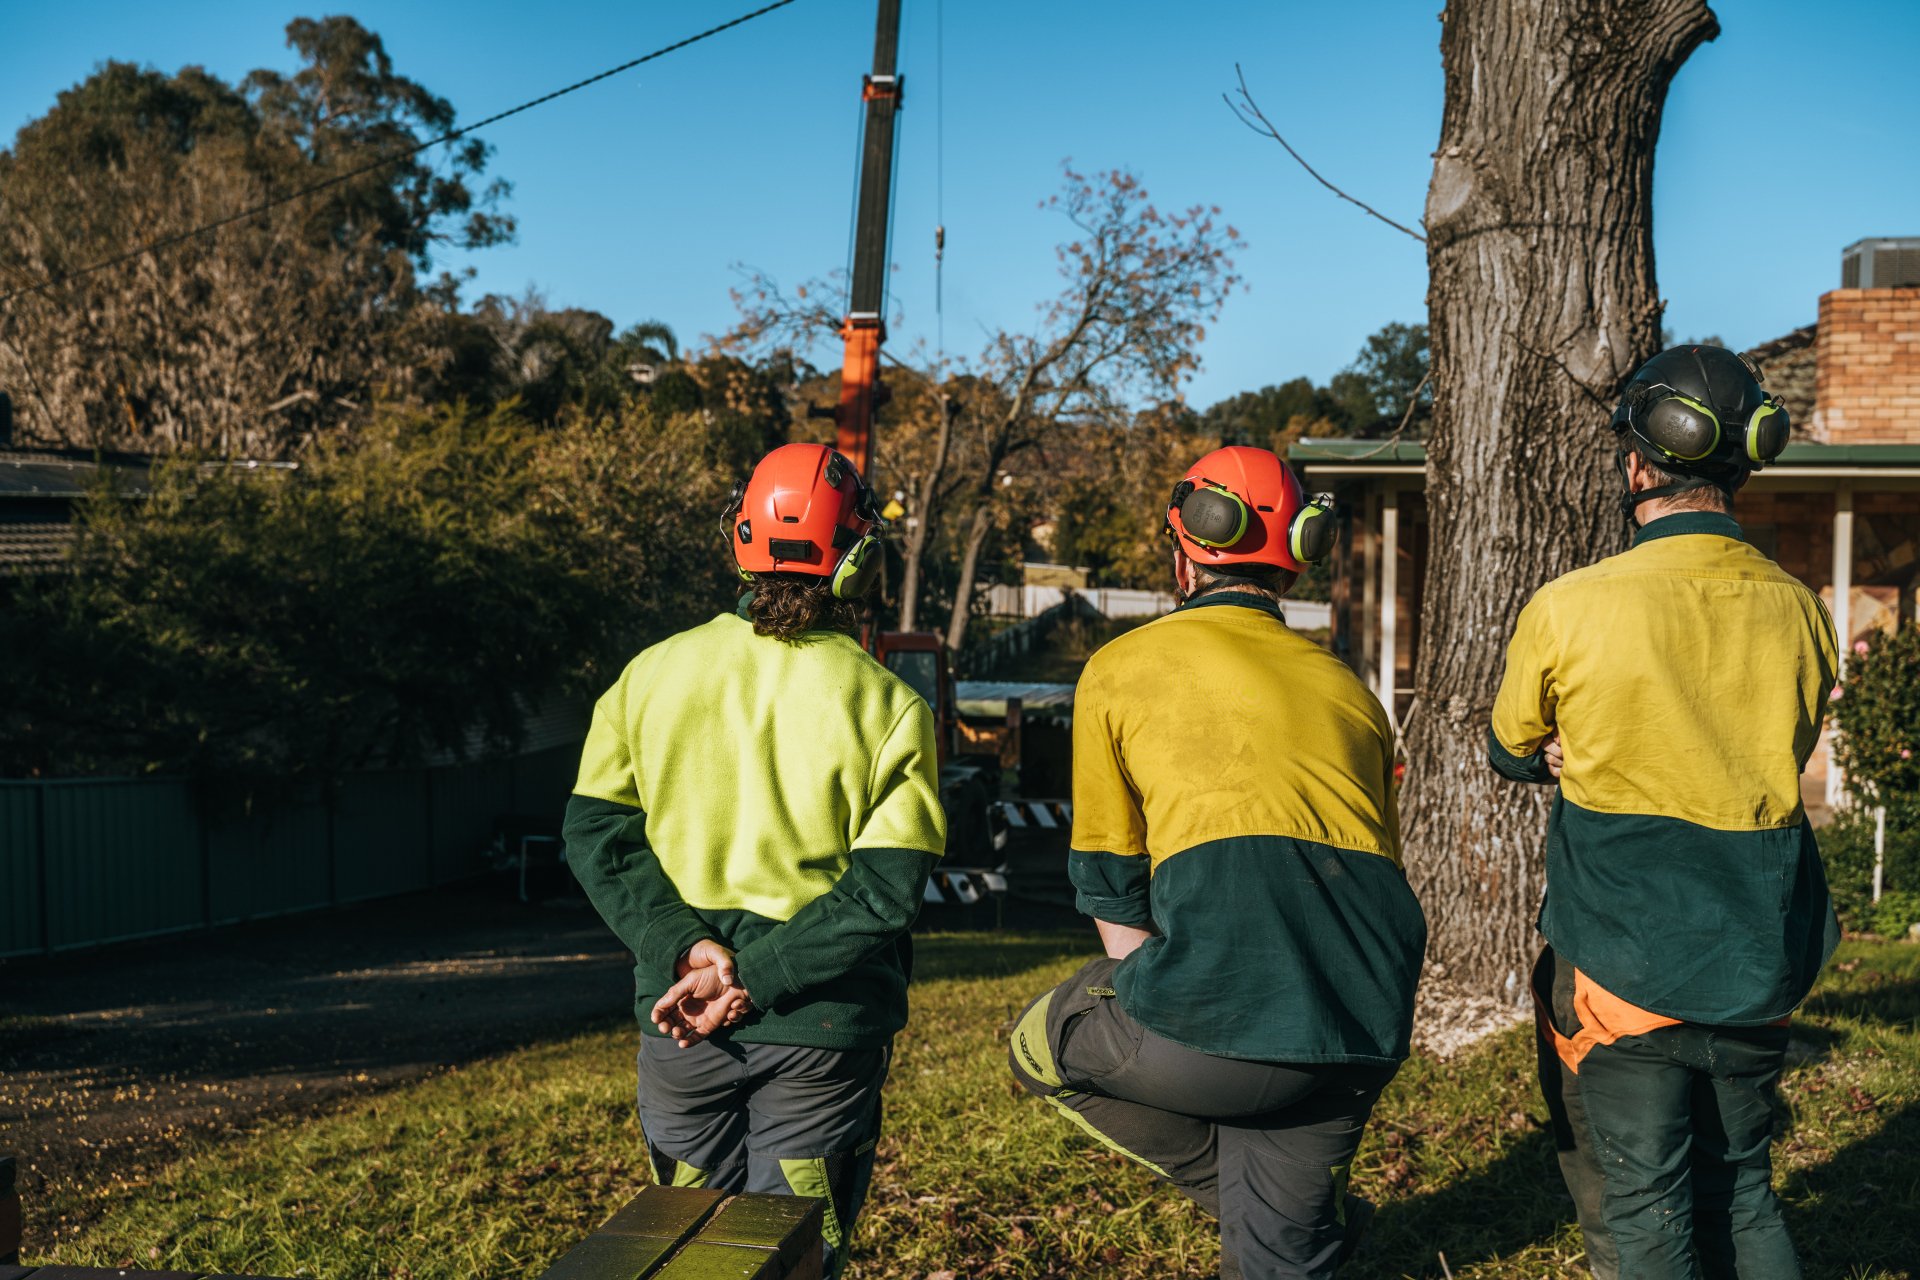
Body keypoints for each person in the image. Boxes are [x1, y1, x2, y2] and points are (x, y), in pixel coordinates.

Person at [1006, 446, 1428, 1280]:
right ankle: (1285, 1221)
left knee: (1036, 1043)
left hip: (1211, 1027)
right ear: (1297, 558)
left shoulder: (1119, 669)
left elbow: (1109, 878)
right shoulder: (1351, 691)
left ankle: (1247, 1195)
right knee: (1278, 1258)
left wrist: (1160, 1000)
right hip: (1361, 1022)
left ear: (1181, 556)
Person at [1490, 345, 1839, 1279]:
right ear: (1744, 462)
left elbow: (1509, 744)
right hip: (1757, 954)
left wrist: (1556, 752)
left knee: (1647, 1200)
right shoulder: (1802, 610)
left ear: (1639, 466)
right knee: (1745, 1190)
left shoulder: (1570, 606)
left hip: (1621, 960)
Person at [563, 442, 945, 1279]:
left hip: (681, 1023)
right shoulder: (892, 705)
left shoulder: (646, 677)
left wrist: (687, 951)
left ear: (738, 540)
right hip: (823, 1030)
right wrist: (754, 980)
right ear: (857, 562)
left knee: (687, 1251)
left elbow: (597, 837)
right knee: (791, 1254)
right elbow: (884, 893)